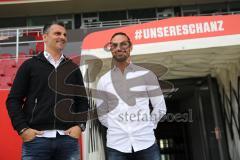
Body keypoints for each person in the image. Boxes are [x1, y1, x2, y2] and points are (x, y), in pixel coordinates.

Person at [6, 22, 89, 160]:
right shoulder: (29, 65)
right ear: (45, 37)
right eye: (57, 33)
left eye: (64, 34)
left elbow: (82, 101)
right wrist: (23, 129)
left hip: (68, 140)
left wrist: (80, 126)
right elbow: (13, 100)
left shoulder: (73, 68)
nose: (62, 37)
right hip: (36, 141)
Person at [96, 32, 167, 160]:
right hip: (116, 146)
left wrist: (149, 125)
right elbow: (101, 113)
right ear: (111, 49)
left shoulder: (147, 75)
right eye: (115, 45)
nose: (119, 48)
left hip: (146, 143)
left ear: (130, 47)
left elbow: (160, 107)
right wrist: (115, 127)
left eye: (123, 44)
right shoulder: (103, 81)